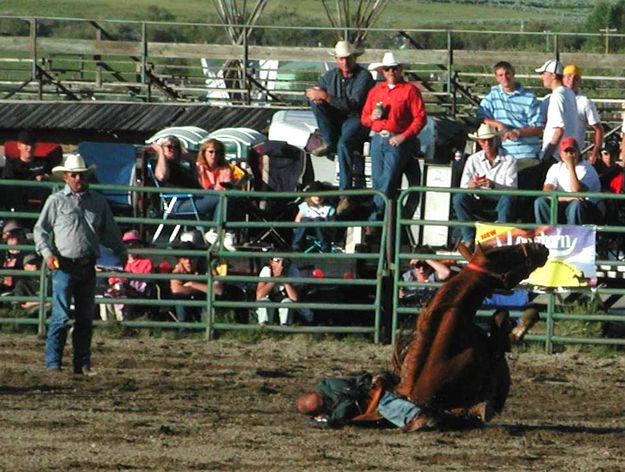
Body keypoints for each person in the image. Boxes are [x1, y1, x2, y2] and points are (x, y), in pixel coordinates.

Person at [34, 153, 127, 375]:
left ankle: (81, 364)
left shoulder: (98, 202)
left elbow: (110, 232)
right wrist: (47, 253)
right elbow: (40, 230)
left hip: (87, 264)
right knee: (61, 317)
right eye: (74, 175)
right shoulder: (56, 201)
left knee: (84, 318)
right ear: (66, 177)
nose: (78, 179)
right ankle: (53, 363)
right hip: (63, 264)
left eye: (81, 175)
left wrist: (122, 251)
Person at [306, 40, 375, 214]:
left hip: (357, 118)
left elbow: (353, 104)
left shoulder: (364, 77)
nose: (344, 62)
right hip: (339, 119)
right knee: (316, 102)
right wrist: (313, 95)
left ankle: (345, 194)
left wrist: (325, 96)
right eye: (341, 59)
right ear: (336, 60)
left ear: (354, 58)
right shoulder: (330, 76)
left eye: (347, 58)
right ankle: (329, 141)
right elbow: (314, 92)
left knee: (345, 144)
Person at [361, 52, 427, 230]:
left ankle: (375, 221)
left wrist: (403, 136)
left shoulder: (410, 91)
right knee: (378, 181)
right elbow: (364, 118)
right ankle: (382, 221)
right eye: (388, 69)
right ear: (383, 71)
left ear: (400, 70)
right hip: (377, 138)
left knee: (387, 180)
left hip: (397, 139)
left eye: (394, 68)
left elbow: (420, 118)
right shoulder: (375, 91)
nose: (391, 71)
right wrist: (372, 118)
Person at [477, 61, 543, 190]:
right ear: (496, 78)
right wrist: (497, 124)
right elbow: (480, 117)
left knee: (523, 197)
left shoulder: (529, 97)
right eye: (500, 75)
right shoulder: (492, 96)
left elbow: (538, 128)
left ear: (513, 74)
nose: (505, 78)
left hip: (526, 155)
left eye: (507, 74)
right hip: (504, 156)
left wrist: (517, 133)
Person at [452, 123, 518, 246]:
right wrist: (470, 185)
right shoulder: (472, 159)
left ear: (495, 140)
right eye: (484, 141)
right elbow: (464, 186)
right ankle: (469, 239)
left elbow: (512, 188)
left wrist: (493, 185)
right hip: (479, 198)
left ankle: (501, 239)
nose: (487, 144)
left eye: (490, 140)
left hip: (500, 200)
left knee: (508, 198)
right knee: (459, 198)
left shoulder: (510, 159)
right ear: (479, 142)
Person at [534, 137, 604, 225]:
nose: (569, 155)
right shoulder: (555, 167)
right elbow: (547, 191)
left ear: (578, 152)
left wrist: (571, 165)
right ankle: (547, 234)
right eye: (566, 151)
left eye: (572, 151)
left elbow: (577, 191)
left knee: (576, 204)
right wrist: (567, 198)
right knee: (540, 202)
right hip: (564, 202)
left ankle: (573, 236)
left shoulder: (587, 169)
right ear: (561, 154)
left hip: (588, 208)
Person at [105, 230, 154, 320]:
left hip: (136, 292)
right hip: (116, 290)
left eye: (133, 244)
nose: (130, 246)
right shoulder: (119, 262)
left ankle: (122, 323)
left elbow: (145, 282)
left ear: (139, 247)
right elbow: (112, 278)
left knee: (120, 291)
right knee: (107, 294)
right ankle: (110, 324)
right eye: (127, 244)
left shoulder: (146, 262)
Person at [536, 59, 578, 163]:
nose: (542, 77)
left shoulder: (557, 96)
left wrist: (546, 155)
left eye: (544, 73)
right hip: (566, 151)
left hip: (555, 155)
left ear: (553, 75)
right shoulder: (569, 93)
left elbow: (559, 129)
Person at [562, 64, 603, 164]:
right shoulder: (553, 98)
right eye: (568, 76)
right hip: (554, 153)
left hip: (574, 154)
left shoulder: (585, 102)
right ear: (562, 78)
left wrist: (594, 152)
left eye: (575, 78)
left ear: (579, 81)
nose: (571, 80)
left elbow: (598, 129)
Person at [3, 130, 53, 209]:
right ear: (19, 146)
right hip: (18, 205)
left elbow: (53, 179)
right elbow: (9, 184)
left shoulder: (44, 162)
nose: (29, 148)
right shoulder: (12, 164)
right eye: (26, 144)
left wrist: (45, 177)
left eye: (32, 144)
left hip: (42, 205)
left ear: (36, 146)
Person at [255, 256, 309, 325]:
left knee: (287, 302)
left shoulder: (293, 271)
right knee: (264, 301)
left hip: (286, 303)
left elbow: (294, 298)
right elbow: (259, 296)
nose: (281, 265)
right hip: (270, 302)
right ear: (271, 262)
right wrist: (275, 278)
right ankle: (264, 326)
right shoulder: (267, 270)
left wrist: (284, 279)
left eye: (284, 261)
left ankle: (285, 325)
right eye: (277, 261)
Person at [291, 182, 336, 252]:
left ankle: (325, 245)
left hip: (323, 231)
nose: (318, 198)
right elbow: (297, 220)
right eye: (315, 195)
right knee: (305, 220)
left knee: (318, 219)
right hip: (308, 231)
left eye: (320, 196)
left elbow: (332, 223)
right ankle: (296, 246)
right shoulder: (305, 206)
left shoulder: (328, 208)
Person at [0, 220, 28, 294]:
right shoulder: (2, 253)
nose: (16, 237)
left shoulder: (26, 252)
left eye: (18, 233)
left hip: (19, 288)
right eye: (12, 234)